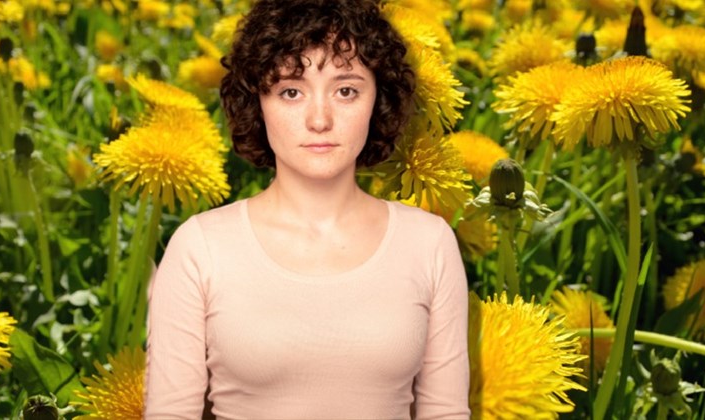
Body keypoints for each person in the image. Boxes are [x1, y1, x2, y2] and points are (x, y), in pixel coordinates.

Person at [143, 0, 470, 418]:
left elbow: (446, 413)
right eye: (291, 92)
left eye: (346, 90)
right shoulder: (199, 246)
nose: (320, 119)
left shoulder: (430, 243)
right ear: (257, 102)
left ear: (378, 100)